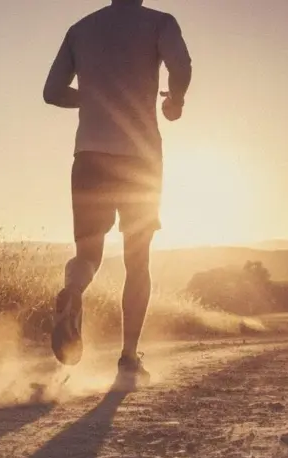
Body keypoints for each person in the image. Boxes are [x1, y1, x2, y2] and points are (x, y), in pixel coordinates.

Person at [43, 0, 192, 390]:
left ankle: (73, 293)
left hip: (89, 155)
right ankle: (128, 360)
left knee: (88, 253)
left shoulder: (81, 28)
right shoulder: (159, 22)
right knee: (136, 260)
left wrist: (92, 97)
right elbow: (182, 66)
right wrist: (175, 101)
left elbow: (52, 91)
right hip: (139, 157)